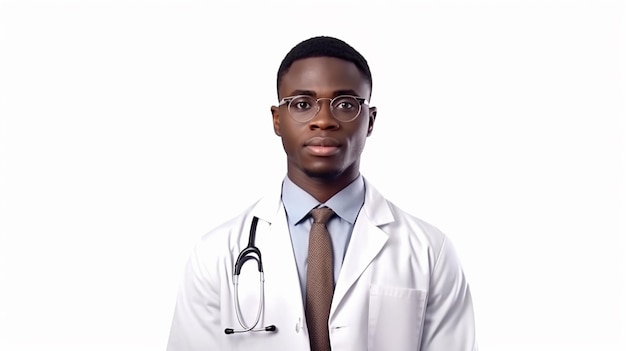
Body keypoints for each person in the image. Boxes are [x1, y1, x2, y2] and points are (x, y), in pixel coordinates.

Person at [166, 36, 477, 351]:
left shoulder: (430, 252)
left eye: (345, 104)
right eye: (302, 104)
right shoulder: (215, 253)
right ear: (277, 119)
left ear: (370, 121)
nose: (324, 121)